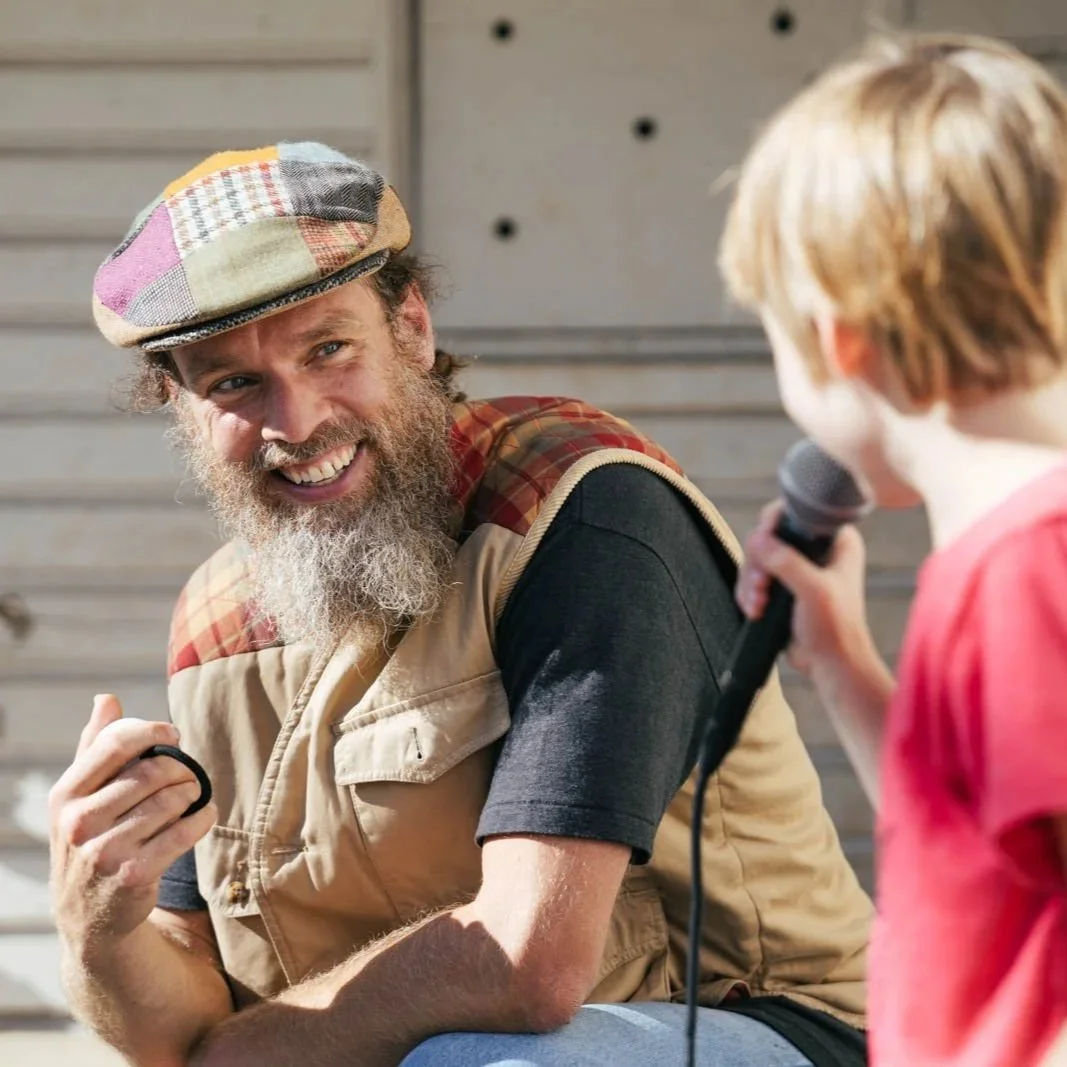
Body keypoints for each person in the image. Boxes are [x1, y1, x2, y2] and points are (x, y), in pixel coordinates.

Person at [48, 141, 872, 1067]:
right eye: (234, 383)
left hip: (773, 1029)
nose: (298, 420)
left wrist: (238, 1056)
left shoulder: (583, 513)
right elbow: (179, 1031)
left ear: (411, 327)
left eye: (329, 349)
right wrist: (98, 926)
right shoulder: (213, 625)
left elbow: (526, 960)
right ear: (182, 405)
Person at [720, 32, 1067, 1067]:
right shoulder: (1009, 561)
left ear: (840, 340)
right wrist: (840, 663)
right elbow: (986, 848)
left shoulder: (1021, 578)